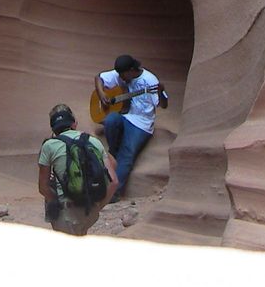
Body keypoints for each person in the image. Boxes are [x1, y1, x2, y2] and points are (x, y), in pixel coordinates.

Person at [94, 54, 168, 200]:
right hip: (126, 115)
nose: (121, 79)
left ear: (131, 70)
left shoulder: (149, 80)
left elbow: (164, 105)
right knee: (110, 120)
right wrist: (102, 95)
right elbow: (98, 78)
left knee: (127, 154)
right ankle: (113, 151)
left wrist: (160, 92)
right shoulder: (122, 74)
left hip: (142, 123)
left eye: (123, 75)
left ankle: (113, 194)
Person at [37, 104, 117, 235]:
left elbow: (42, 187)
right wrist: (98, 206)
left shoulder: (49, 146)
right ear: (74, 123)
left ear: (53, 128)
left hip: (66, 213)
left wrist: (55, 201)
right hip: (90, 211)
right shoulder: (93, 141)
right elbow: (114, 181)